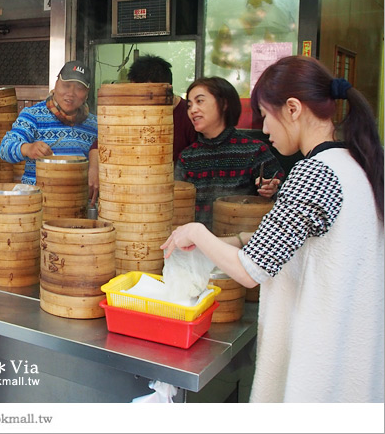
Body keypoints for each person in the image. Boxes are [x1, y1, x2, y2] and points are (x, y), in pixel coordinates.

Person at [162, 56, 384, 402]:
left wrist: (197, 232)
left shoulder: (314, 172)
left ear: (293, 108)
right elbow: (308, 241)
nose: (264, 128)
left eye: (266, 115)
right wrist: (233, 239)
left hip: (319, 358)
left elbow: (252, 270)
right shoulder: (358, 163)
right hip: (353, 350)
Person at [175, 76, 284, 230]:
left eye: (200, 101)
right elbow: (177, 203)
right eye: (189, 105)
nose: (193, 110)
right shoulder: (187, 157)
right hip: (196, 244)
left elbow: (283, 197)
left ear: (224, 103)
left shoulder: (254, 150)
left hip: (241, 244)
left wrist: (270, 190)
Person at [0, 60, 99, 202]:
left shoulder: (94, 124)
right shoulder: (33, 115)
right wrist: (27, 148)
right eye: (66, 85)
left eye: (79, 88)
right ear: (56, 84)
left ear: (87, 93)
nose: (71, 93)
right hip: (37, 205)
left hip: (77, 206)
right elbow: (5, 148)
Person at [126, 54, 197, 162]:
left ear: (167, 89)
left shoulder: (190, 116)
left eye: (147, 93)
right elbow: (101, 143)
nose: (140, 99)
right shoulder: (131, 113)